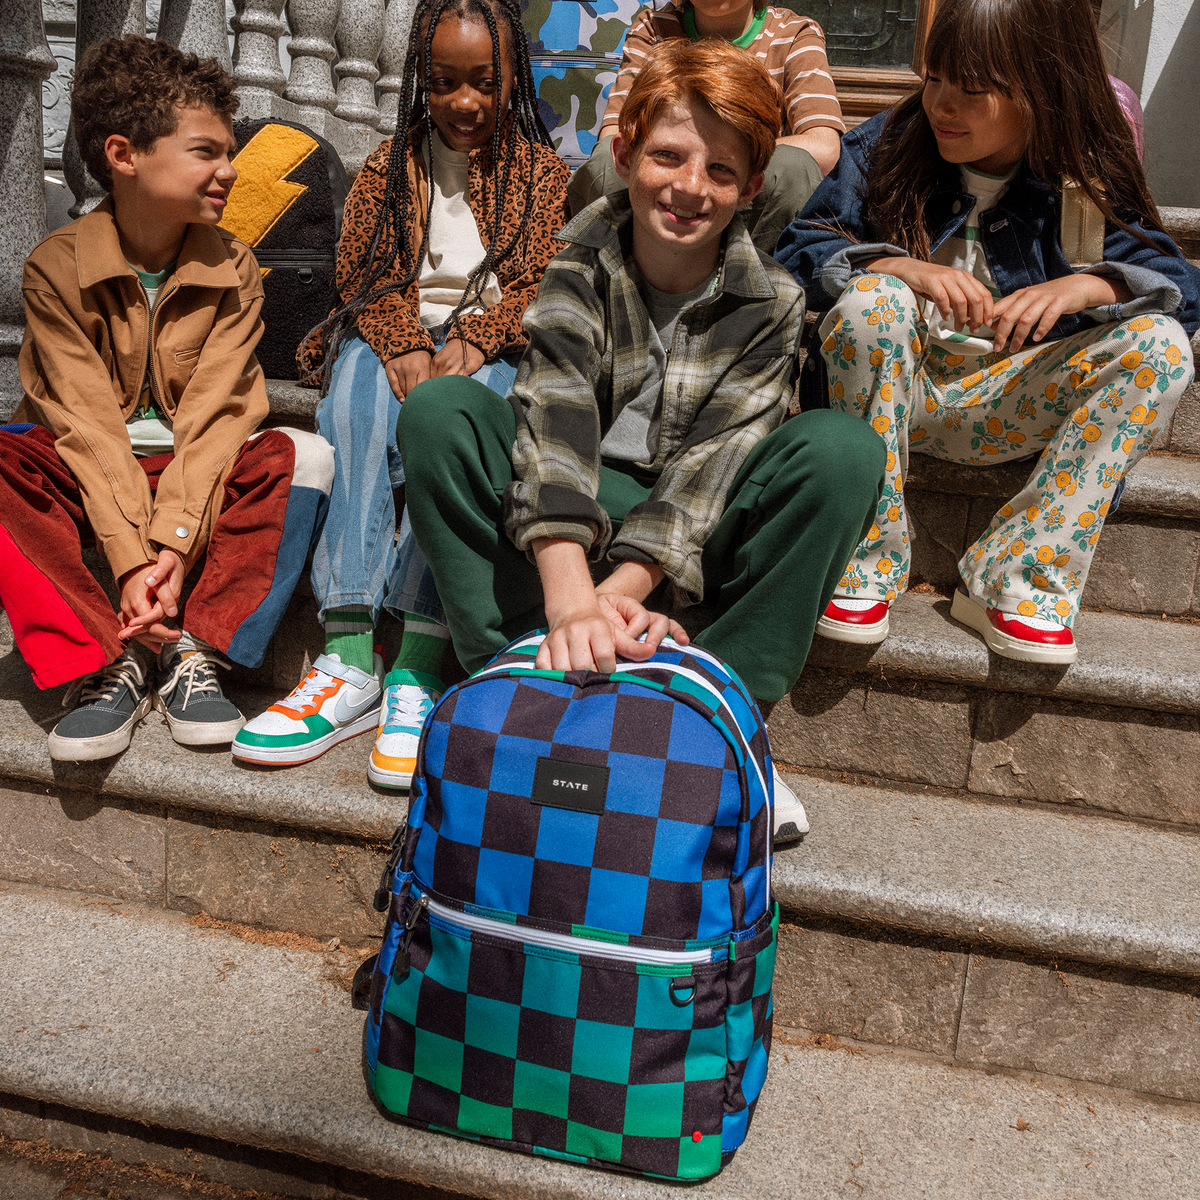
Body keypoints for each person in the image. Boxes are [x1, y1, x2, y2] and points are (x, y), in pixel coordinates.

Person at [396, 39, 886, 842]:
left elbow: (713, 464)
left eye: (720, 170)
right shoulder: (575, 263)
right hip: (566, 525)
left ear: (751, 187)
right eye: (668, 156)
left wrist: (619, 593)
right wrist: (571, 602)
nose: (690, 187)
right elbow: (553, 419)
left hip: (685, 544)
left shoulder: (774, 300)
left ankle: (723, 719)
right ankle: (519, 675)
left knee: (843, 452)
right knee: (440, 411)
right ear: (624, 157)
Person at [775, 0, 1198, 664]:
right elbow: (795, 247)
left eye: (973, 90)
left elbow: (1181, 285)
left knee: (1162, 347)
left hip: (1011, 402)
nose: (943, 105)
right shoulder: (889, 142)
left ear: (1041, 89)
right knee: (873, 301)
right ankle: (864, 552)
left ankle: (1018, 574)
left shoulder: (1084, 169)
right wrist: (898, 266)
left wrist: (1091, 286)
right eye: (935, 78)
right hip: (891, 396)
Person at [232, 0, 571, 786]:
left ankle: (417, 659)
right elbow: (363, 269)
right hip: (397, 332)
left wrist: (482, 335)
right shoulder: (391, 163)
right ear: (421, 76)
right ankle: (350, 651)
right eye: (444, 81)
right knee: (355, 393)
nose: (463, 101)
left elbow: (548, 283)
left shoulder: (544, 175)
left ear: (514, 77)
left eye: (483, 81)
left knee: (452, 425)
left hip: (496, 345)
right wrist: (398, 337)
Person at [0, 35, 333, 762]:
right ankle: (104, 658)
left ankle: (193, 648)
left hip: (196, 475)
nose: (230, 169)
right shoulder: (56, 268)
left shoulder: (235, 268)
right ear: (124, 155)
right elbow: (84, 424)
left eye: (228, 151)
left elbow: (219, 417)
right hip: (90, 475)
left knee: (305, 456)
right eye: (206, 151)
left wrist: (171, 547)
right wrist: (128, 562)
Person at [565, 0, 845, 255]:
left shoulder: (794, 34)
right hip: (657, 208)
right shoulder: (654, 27)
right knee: (606, 161)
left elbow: (825, 147)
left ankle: (755, 283)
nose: (693, 183)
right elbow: (616, 134)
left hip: (745, 203)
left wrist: (726, 160)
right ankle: (610, 273)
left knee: (794, 167)